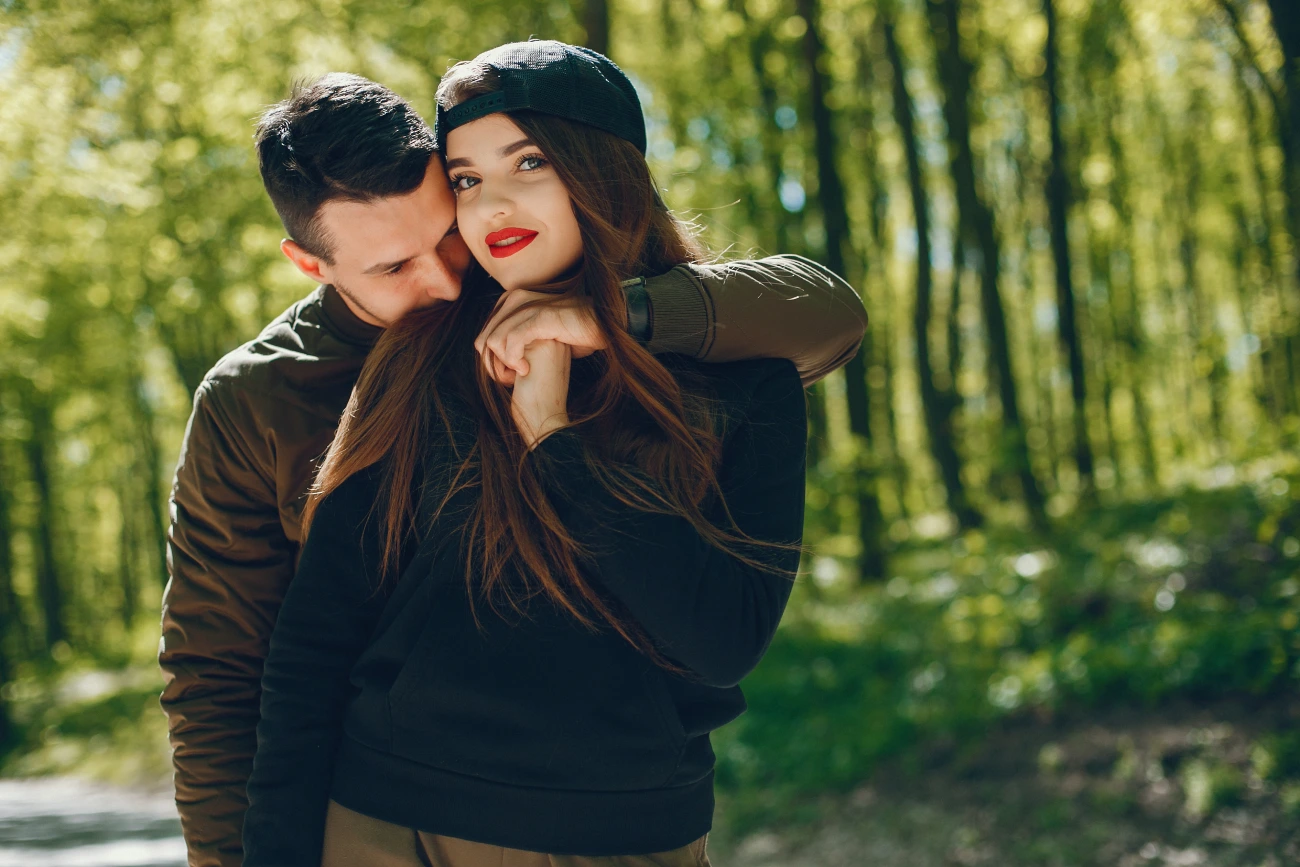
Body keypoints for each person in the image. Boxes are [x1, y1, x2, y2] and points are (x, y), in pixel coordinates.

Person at [160, 72, 865, 867]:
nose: (446, 280)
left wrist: (607, 327)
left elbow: (829, 311)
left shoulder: (584, 314)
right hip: (381, 805)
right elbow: (235, 668)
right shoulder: (266, 398)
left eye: (448, 229)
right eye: (395, 268)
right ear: (309, 264)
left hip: (620, 816)